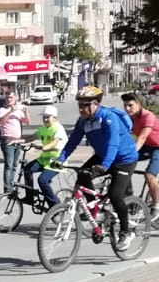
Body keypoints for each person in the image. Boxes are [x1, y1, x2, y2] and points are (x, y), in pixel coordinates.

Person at [55, 85, 139, 245]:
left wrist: (105, 165)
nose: (82, 109)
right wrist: (61, 159)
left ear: (96, 104)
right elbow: (72, 142)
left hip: (124, 159)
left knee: (115, 195)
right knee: (82, 174)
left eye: (86, 105)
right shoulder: (83, 122)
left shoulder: (108, 118)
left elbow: (113, 143)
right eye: (80, 105)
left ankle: (125, 232)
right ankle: (96, 209)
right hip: (103, 156)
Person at [121, 93, 159, 210]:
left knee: (149, 176)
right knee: (122, 165)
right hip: (147, 147)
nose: (127, 109)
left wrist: (132, 152)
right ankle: (130, 198)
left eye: (130, 105)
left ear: (138, 104)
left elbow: (142, 137)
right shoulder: (129, 117)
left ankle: (156, 205)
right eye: (125, 106)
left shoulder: (148, 116)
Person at [22, 109, 65, 206]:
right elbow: (32, 137)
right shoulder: (44, 128)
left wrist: (44, 147)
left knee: (42, 180)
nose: (45, 119)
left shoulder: (58, 128)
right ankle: (30, 197)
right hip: (44, 159)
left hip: (57, 160)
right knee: (27, 170)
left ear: (55, 118)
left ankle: (55, 205)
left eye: (47, 117)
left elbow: (55, 142)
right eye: (44, 117)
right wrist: (19, 140)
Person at [0, 91, 28, 193]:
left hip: (17, 140)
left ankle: (11, 186)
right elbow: (1, 121)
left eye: (11, 97)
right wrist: (11, 111)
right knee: (8, 165)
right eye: (7, 97)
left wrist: (25, 111)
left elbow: (27, 121)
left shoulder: (18, 111)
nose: (9, 99)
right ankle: (7, 189)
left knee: (14, 165)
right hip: (7, 140)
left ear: (15, 99)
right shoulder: (2, 110)